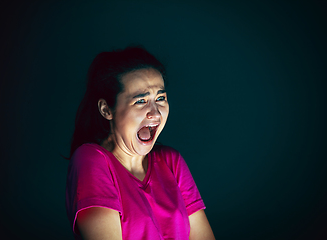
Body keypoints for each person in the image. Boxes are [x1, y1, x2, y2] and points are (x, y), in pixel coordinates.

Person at [65, 46, 215, 240]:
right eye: (140, 101)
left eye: (160, 98)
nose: (155, 113)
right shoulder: (91, 160)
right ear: (106, 110)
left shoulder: (172, 161)